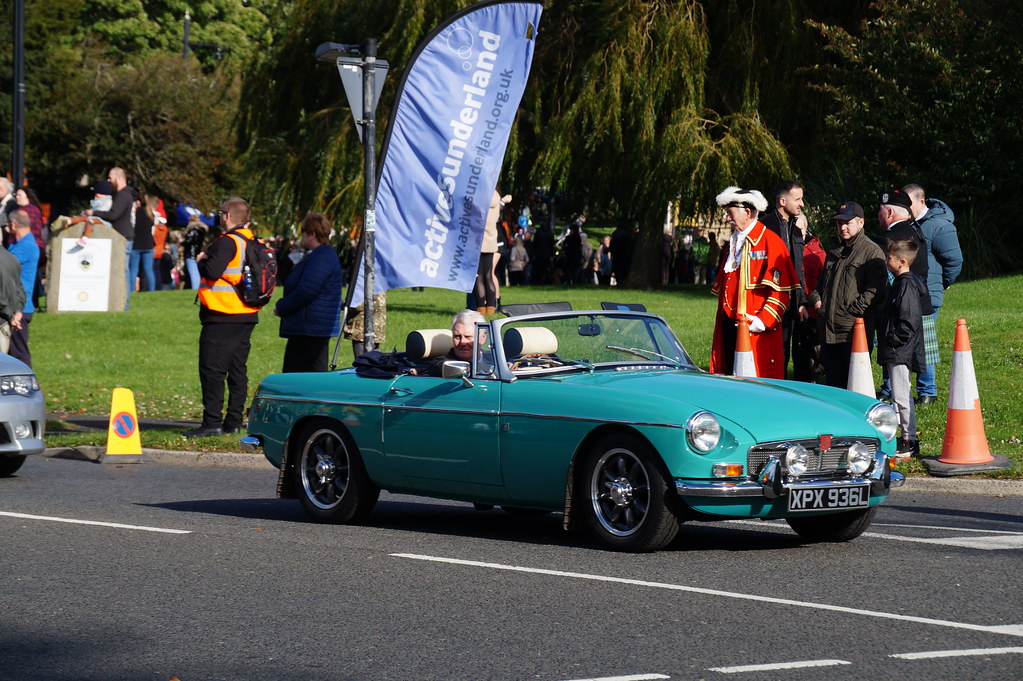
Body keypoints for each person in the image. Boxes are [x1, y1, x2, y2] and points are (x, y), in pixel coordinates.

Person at [185, 197, 261, 438]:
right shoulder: (253, 241)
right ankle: (234, 421)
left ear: (227, 216)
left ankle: (212, 423)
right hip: (247, 314)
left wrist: (200, 260)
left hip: (222, 314)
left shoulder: (227, 242)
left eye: (221, 213)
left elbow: (212, 271)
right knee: (237, 370)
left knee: (212, 370)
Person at [708, 186, 799, 379]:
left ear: (748, 212)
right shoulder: (734, 241)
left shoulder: (770, 242)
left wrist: (761, 322)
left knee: (755, 381)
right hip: (729, 325)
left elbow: (781, 293)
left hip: (755, 331)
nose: (727, 218)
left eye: (730, 213)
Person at [809, 201, 887, 389]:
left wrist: (851, 313)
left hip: (853, 332)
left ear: (861, 223)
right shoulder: (834, 251)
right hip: (828, 331)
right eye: (838, 223)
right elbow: (820, 285)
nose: (842, 227)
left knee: (855, 385)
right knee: (833, 385)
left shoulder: (871, 251)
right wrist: (818, 302)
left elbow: (876, 292)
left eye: (847, 223)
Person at [903, 183, 963, 404]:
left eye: (908, 204)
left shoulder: (939, 226)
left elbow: (955, 261)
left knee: (923, 342)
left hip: (928, 294)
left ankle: (927, 391)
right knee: (910, 340)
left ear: (921, 202)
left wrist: (941, 284)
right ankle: (909, 389)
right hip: (908, 291)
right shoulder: (910, 224)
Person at [877, 188, 934, 400]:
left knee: (898, 350)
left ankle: (891, 390)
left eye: (880, 212)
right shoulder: (917, 232)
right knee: (922, 350)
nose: (878, 216)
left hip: (898, 302)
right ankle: (928, 391)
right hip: (922, 299)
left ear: (889, 213)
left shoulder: (887, 239)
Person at [877, 238, 927, 458]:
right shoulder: (901, 282)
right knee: (899, 395)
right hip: (896, 349)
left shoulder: (906, 285)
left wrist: (892, 339)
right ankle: (903, 437)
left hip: (900, 350)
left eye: (889, 257)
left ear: (902, 261)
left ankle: (909, 440)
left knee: (902, 396)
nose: (887, 260)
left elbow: (908, 322)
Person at [274, 212, 342, 373]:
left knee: (305, 375)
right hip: (309, 326)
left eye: (303, 231)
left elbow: (307, 290)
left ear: (312, 234)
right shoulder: (319, 256)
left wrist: (282, 307)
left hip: (311, 328)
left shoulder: (322, 257)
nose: (301, 235)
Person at [760, 181, 807, 377]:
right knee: (768, 354)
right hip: (768, 303)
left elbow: (798, 269)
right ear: (782, 200)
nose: (802, 204)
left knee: (790, 355)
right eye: (797, 199)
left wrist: (802, 301)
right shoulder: (763, 227)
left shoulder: (796, 231)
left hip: (791, 305)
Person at [86, 168, 136, 302]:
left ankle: (124, 303)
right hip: (123, 236)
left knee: (122, 272)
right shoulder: (125, 195)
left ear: (118, 178)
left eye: (110, 177)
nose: (108, 181)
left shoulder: (123, 195)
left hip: (123, 237)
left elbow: (114, 215)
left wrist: (94, 213)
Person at [794, 214, 826, 382]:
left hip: (811, 312)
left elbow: (816, 285)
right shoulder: (794, 250)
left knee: (812, 356)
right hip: (797, 310)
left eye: (800, 230)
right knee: (801, 355)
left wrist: (808, 304)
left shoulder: (816, 255)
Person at [6, 210, 38, 366]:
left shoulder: (26, 246)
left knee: (19, 353)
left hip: (20, 308)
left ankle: (27, 387)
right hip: (15, 305)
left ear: (13, 225)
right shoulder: (17, 244)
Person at [474, 189, 510, 315]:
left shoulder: (479, 198)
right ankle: (491, 307)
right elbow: (500, 207)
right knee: (489, 275)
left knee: (478, 276)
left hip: (478, 240)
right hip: (491, 240)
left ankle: (480, 308)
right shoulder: (496, 199)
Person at [13, 187, 46, 309]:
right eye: (16, 195)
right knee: (34, 276)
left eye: (20, 195)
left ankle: (31, 301)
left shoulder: (27, 211)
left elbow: (27, 231)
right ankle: (35, 300)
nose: (17, 197)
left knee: (27, 276)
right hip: (36, 246)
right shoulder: (31, 210)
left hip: (30, 246)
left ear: (27, 197)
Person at [427, 309, 486, 376]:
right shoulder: (442, 365)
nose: (463, 342)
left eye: (468, 337)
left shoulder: (493, 359)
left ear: (483, 338)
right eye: (457, 337)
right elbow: (439, 367)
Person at [0, 231, 25, 356]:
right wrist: (18, 311)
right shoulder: (12, 259)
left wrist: (10, 315)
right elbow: (19, 288)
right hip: (6, 324)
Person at [128, 191, 156, 297]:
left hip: (136, 244)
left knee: (133, 269)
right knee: (149, 269)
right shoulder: (151, 213)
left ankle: (131, 290)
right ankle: (152, 291)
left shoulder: (135, 213)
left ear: (138, 201)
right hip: (149, 245)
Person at [181, 214, 207, 290]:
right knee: (196, 272)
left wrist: (182, 242)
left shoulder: (192, 230)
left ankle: (195, 288)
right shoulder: (201, 230)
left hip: (190, 253)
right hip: (197, 252)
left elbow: (189, 241)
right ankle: (197, 287)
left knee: (192, 272)